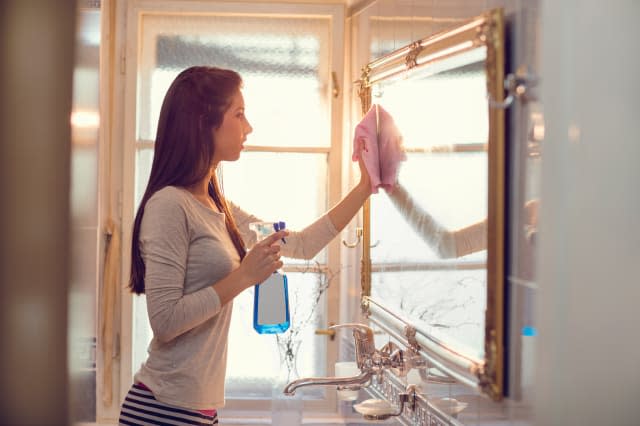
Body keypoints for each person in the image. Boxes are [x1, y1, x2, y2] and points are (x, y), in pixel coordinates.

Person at [118, 66, 371, 425]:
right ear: (203, 122)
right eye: (238, 114)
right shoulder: (169, 206)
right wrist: (243, 277)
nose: (248, 127)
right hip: (161, 410)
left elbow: (300, 244)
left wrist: (365, 186)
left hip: (196, 412)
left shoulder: (216, 204)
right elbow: (165, 321)